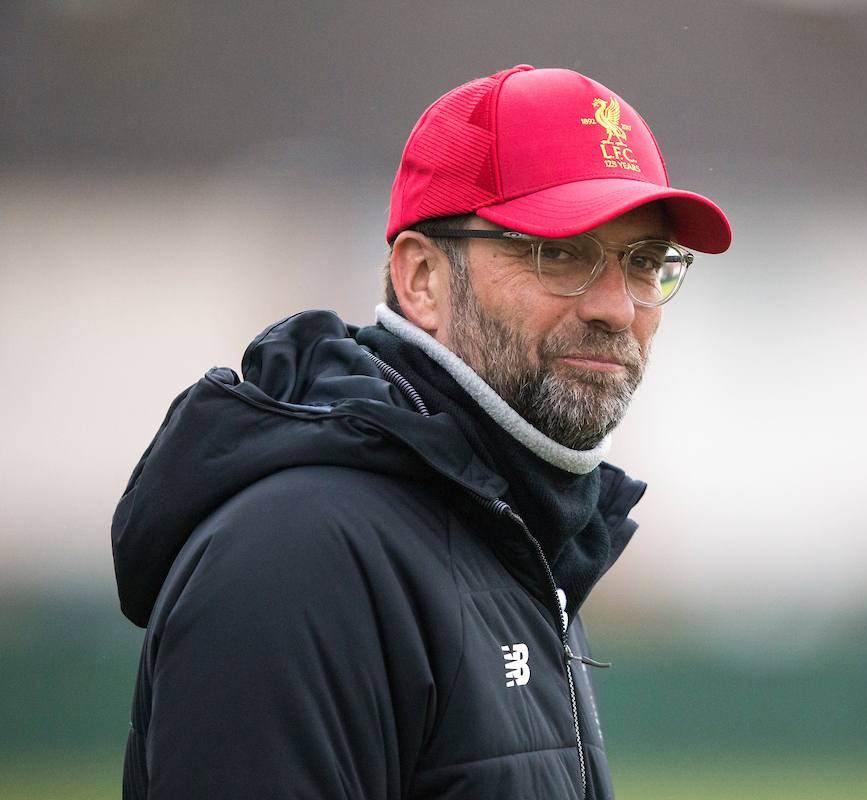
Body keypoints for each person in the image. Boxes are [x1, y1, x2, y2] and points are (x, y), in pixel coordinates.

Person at [111, 64, 731, 800]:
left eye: (644, 263)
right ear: (422, 280)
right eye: (558, 252)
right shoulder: (298, 554)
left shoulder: (519, 539)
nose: (617, 308)